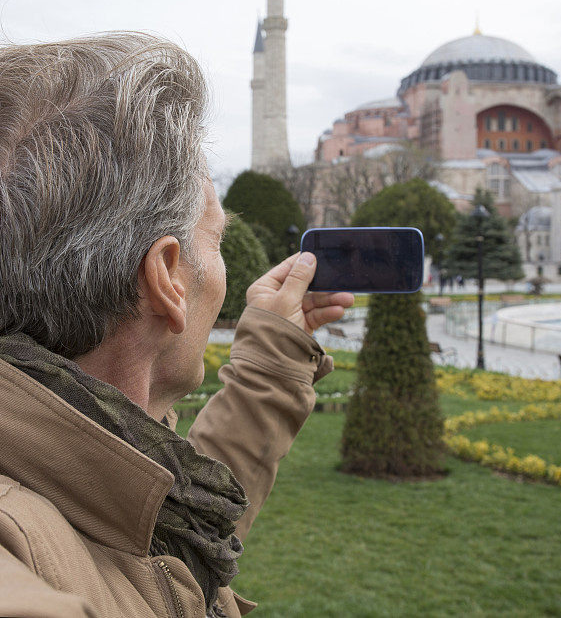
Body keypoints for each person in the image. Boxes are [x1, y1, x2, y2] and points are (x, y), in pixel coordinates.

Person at [0, 33, 353, 617]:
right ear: (168, 277)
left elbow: (155, 526)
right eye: (216, 239)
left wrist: (274, 357)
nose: (222, 264)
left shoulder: (73, 473)